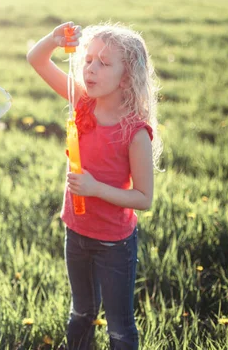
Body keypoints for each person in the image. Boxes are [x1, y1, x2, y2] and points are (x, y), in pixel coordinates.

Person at [27, 22, 162, 350]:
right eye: (88, 60)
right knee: (81, 311)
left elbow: (144, 198)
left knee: (119, 326)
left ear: (126, 77)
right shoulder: (81, 101)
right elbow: (36, 59)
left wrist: (95, 188)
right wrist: (54, 40)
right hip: (76, 231)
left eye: (104, 62)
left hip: (114, 244)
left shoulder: (135, 132)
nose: (91, 68)